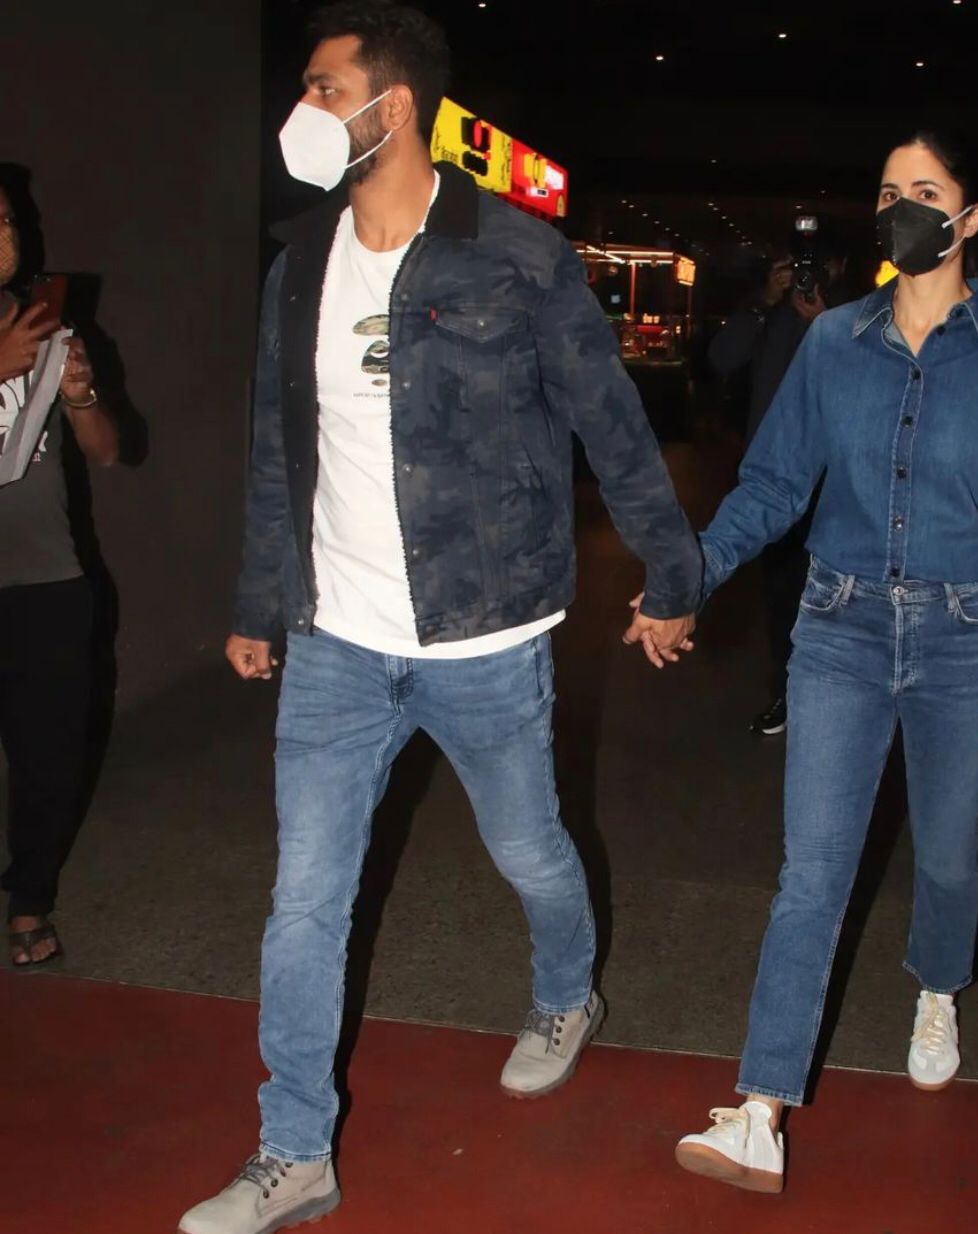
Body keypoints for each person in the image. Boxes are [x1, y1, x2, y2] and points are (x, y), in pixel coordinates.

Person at [178, 5, 698, 1232]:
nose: (301, 111)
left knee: (529, 850)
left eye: (323, 88)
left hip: (484, 636)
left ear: (393, 105)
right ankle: (294, 1150)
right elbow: (280, 446)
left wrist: (672, 572)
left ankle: (566, 994)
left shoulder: (516, 254)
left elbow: (610, 420)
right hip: (337, 641)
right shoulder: (300, 261)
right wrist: (261, 600)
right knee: (306, 900)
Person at [674, 131, 978, 1193]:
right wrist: (690, 574)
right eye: (891, 190)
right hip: (841, 626)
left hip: (968, 631)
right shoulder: (835, 341)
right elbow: (774, 483)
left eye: (926, 191)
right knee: (812, 871)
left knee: (946, 853)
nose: (903, 207)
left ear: (969, 218)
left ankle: (937, 987)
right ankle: (760, 1109)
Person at [0, 177, 118, 967]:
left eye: (8, 220)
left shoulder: (47, 327)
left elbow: (108, 451)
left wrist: (79, 395)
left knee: (49, 756)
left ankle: (29, 900)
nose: (4, 234)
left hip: (46, 577)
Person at [708, 245, 841, 735]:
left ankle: (834, 705)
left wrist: (825, 323)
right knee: (783, 596)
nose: (806, 276)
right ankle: (787, 694)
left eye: (818, 266)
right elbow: (722, 357)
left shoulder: (853, 318)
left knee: (837, 597)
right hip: (774, 478)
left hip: (837, 483)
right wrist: (764, 301)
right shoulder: (770, 314)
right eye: (797, 267)